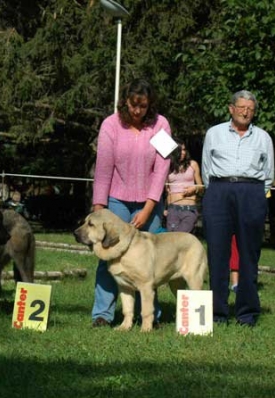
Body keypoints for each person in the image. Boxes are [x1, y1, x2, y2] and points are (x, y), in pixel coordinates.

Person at [91, 78, 171, 327]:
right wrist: (99, 208)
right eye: (133, 105)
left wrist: (149, 207)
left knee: (150, 261)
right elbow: (104, 168)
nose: (137, 111)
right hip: (116, 202)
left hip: (150, 202)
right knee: (109, 258)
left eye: (143, 106)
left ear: (150, 105)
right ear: (125, 101)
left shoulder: (161, 124)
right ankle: (103, 314)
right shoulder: (110, 125)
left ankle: (150, 317)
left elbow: (162, 168)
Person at [201, 90, 274, 326]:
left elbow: (268, 175)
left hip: (251, 192)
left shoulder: (263, 137)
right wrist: (217, 191)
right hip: (219, 190)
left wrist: (254, 194)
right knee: (217, 253)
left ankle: (247, 313)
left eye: (250, 109)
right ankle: (217, 313)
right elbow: (206, 169)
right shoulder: (214, 133)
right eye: (241, 107)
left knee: (249, 254)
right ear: (231, 108)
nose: (245, 112)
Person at [165, 138, 202, 232]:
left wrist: (194, 189)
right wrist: (164, 208)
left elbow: (201, 188)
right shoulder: (167, 166)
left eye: (184, 150)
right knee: (172, 241)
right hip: (172, 209)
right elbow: (164, 190)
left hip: (189, 209)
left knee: (183, 239)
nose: (183, 153)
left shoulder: (193, 164)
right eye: (179, 150)